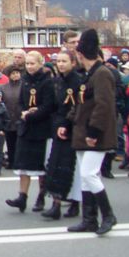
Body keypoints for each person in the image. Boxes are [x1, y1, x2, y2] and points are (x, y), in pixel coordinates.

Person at [61, 29, 117, 235]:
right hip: (83, 133)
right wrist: (67, 124)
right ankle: (89, 220)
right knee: (85, 177)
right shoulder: (90, 74)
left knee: (89, 174)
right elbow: (81, 104)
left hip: (96, 134)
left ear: (80, 54)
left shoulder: (102, 74)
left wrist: (93, 132)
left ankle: (108, 215)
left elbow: (104, 106)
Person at [6, 51, 56, 212]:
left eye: (32, 63)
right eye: (27, 63)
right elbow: (20, 101)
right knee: (23, 165)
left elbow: (49, 105)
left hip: (41, 128)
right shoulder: (25, 80)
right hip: (26, 126)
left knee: (41, 166)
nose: (29, 66)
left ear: (40, 63)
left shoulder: (48, 82)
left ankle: (41, 196)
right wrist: (23, 112)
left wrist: (33, 114)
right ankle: (22, 197)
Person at [42, 51, 82, 219]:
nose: (61, 64)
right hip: (58, 127)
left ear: (73, 63)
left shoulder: (78, 81)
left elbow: (77, 107)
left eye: (65, 61)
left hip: (74, 128)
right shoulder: (56, 81)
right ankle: (56, 205)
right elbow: (53, 105)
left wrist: (66, 124)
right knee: (55, 166)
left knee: (73, 168)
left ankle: (75, 203)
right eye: (59, 61)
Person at [1, 65, 23, 170]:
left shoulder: (24, 86)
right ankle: (11, 161)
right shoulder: (4, 87)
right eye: (13, 73)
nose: (15, 75)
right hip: (8, 118)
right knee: (10, 142)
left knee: (20, 142)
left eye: (17, 73)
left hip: (21, 118)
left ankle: (20, 162)